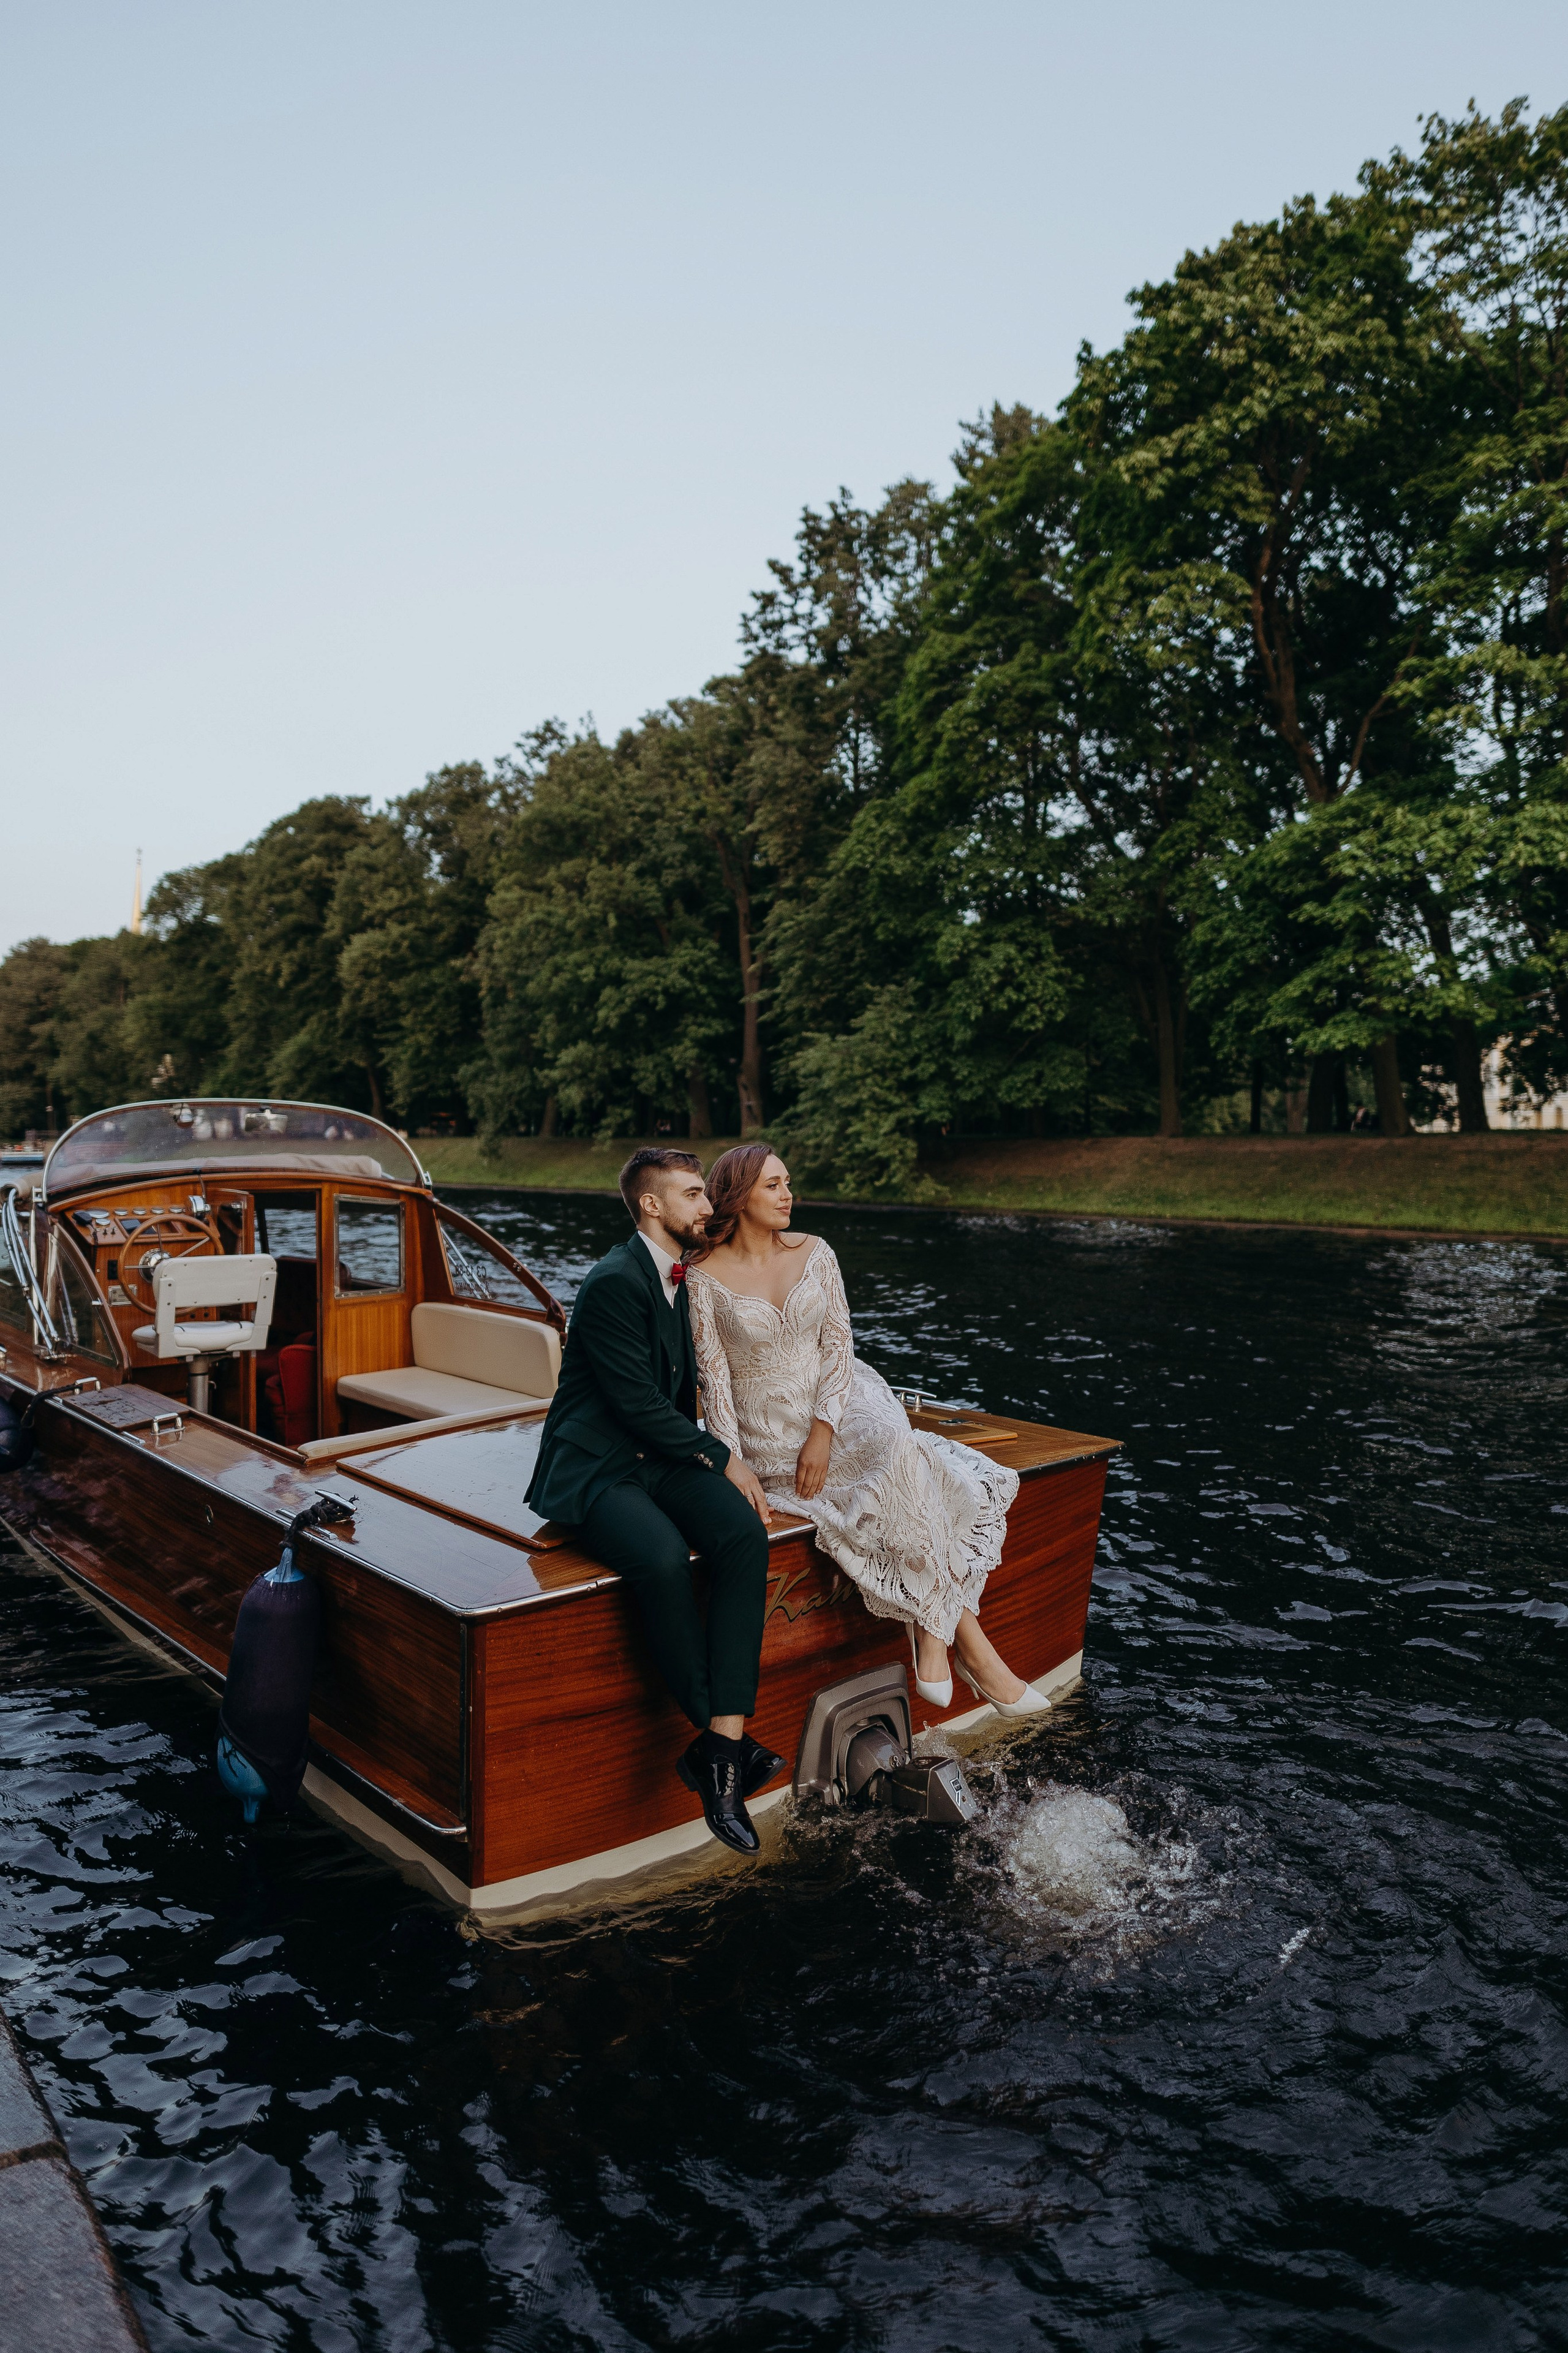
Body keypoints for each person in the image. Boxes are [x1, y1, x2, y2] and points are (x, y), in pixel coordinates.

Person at [686, 1144, 1049, 1717]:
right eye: (774, 1185)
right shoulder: (703, 1278)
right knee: (914, 1470)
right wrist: (734, 1462)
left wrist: (824, 1429)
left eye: (789, 1183)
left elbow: (838, 1345)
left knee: (897, 1444)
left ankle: (936, 1636)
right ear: (739, 1196)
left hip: (840, 1398)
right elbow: (715, 1383)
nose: (788, 1194)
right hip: (765, 1428)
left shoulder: (817, 1251)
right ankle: (973, 1651)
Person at [526, 1147, 784, 1856]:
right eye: (695, 1195)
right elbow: (636, 1403)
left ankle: (720, 1750)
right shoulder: (613, 1280)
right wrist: (722, 1457)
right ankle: (727, 1758)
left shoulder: (682, 1275)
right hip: (595, 1467)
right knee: (664, 1558)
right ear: (651, 1205)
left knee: (741, 1536)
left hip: (658, 1456)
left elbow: (685, 1391)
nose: (708, 1207)